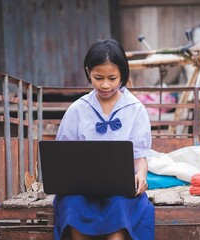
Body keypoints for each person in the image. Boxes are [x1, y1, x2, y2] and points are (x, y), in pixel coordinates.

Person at [54, 39, 155, 240]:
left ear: (123, 75)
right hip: (81, 188)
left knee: (119, 206)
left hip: (120, 190)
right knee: (72, 204)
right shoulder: (77, 109)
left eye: (112, 78)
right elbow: (63, 157)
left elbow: (139, 157)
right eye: (98, 77)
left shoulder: (135, 109)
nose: (105, 84)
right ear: (88, 72)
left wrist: (141, 176)